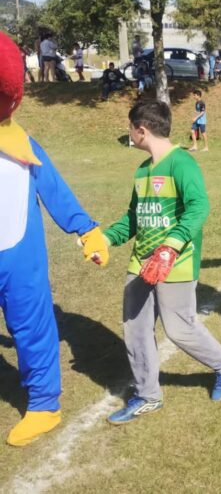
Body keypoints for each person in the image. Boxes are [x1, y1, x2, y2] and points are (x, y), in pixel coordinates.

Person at [0, 30, 109, 446]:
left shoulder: (21, 144)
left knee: (32, 326)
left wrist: (87, 230)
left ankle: (45, 404)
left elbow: (55, 191)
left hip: (19, 257)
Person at [103, 101, 221, 424]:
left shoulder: (182, 163)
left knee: (179, 330)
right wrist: (105, 238)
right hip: (141, 263)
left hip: (176, 263)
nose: (129, 134)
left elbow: (199, 208)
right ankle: (148, 394)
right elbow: (133, 219)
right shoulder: (141, 170)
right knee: (135, 329)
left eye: (130, 128)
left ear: (142, 129)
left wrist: (171, 247)